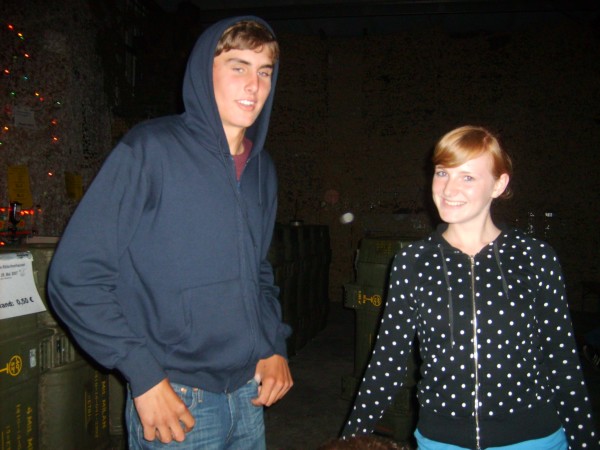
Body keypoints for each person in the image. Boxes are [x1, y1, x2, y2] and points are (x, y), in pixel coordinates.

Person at [48, 16, 293, 449]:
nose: (253, 85)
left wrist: (273, 344)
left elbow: (257, 272)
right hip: (177, 398)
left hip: (248, 394)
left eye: (264, 71)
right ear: (203, 72)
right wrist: (142, 374)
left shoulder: (263, 169)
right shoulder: (150, 150)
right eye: (238, 67)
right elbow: (76, 276)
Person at [341, 125, 599, 449]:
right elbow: (386, 362)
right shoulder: (413, 262)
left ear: (499, 184)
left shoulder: (534, 257)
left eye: (467, 177)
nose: (449, 189)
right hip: (442, 440)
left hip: (533, 438)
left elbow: (562, 360)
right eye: (442, 173)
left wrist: (586, 442)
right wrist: (347, 442)